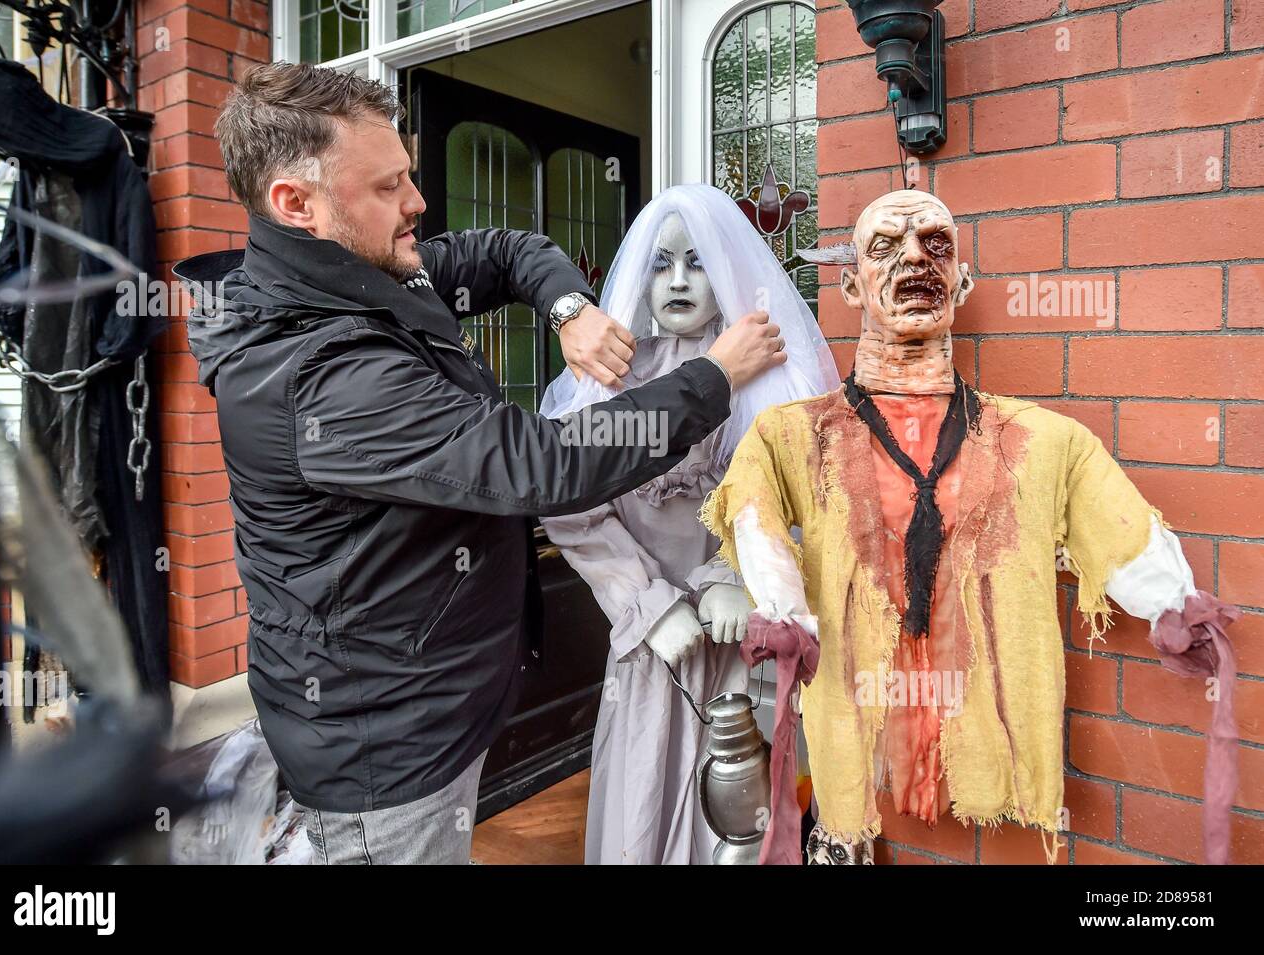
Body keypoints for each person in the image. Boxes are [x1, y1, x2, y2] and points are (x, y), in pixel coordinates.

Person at [173, 61, 786, 865]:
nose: (416, 204)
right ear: (298, 204)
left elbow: (506, 249)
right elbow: (543, 465)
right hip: (387, 754)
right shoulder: (315, 376)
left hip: (434, 703)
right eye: (389, 186)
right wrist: (713, 377)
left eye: (411, 177)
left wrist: (568, 308)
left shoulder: (373, 273)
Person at [703, 190, 1240, 865]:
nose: (914, 259)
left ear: (961, 279)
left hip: (983, 742)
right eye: (885, 247)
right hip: (859, 728)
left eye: (935, 244)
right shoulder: (790, 436)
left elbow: (1108, 511)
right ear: (848, 284)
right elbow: (753, 509)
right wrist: (783, 608)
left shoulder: (1039, 441)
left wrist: (1172, 601)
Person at [538, 183, 836, 863]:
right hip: (652, 646)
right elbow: (570, 501)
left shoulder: (763, 375)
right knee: (645, 785)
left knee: (740, 797)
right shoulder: (610, 381)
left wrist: (733, 576)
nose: (675, 280)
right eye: (660, 262)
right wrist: (648, 603)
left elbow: (797, 490)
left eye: (697, 261)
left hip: (740, 641)